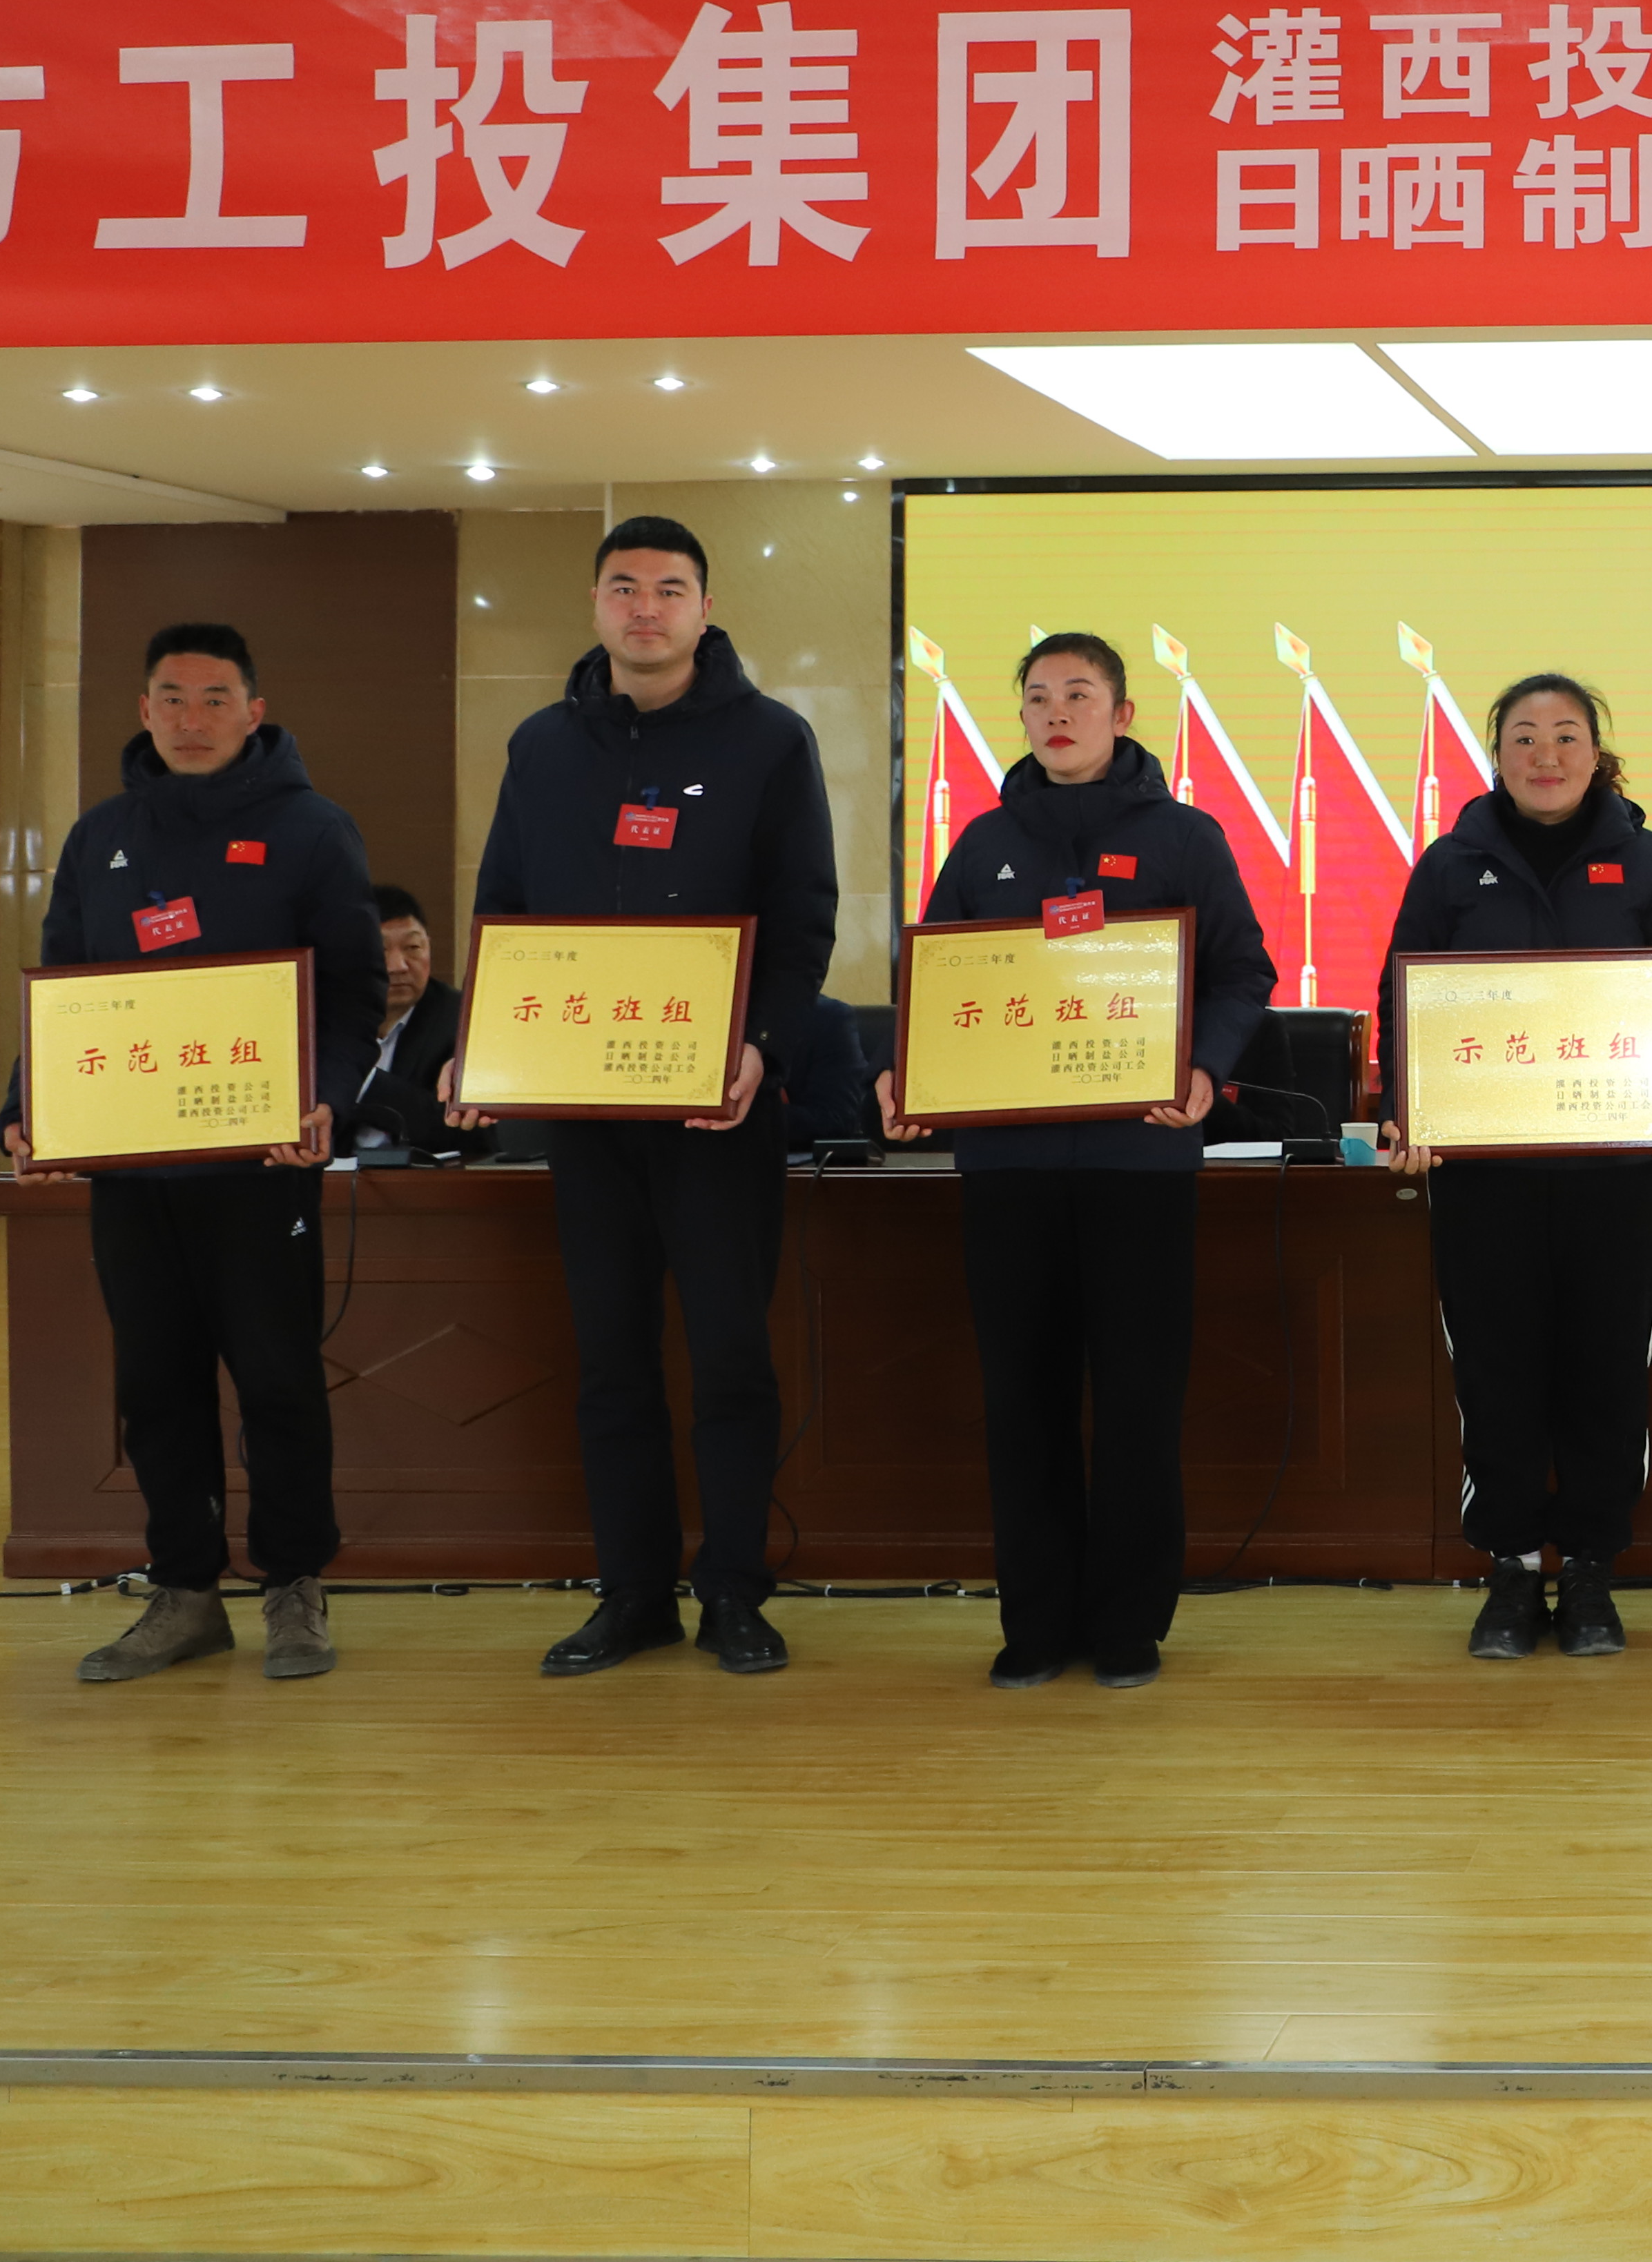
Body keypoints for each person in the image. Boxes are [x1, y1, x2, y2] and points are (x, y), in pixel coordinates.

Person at [449, 516, 839, 1679]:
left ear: (705, 610)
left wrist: (760, 1047)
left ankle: (733, 1593)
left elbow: (803, 919)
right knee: (611, 1360)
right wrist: (478, 1047)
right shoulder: (542, 745)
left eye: (670, 589)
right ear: (595, 606)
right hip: (588, 1114)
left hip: (719, 1108)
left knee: (730, 1358)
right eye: (625, 587)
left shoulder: (771, 740)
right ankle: (632, 1594)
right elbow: (506, 909)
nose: (646, 608)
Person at [880, 632, 1272, 1690]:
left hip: (1139, 1162)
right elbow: (937, 985)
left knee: (1139, 1400)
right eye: (1040, 698)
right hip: (1008, 1169)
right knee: (1022, 1400)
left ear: (1123, 714)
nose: (1058, 714)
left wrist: (1205, 1067)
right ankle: (1037, 1620)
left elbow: (1243, 971)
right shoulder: (984, 843)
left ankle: (1130, 1621)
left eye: (1081, 695)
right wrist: (905, 1075)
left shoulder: (1185, 837)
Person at [3, 624, 378, 1684]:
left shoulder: (313, 830)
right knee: (156, 1386)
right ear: (144, 710)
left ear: (255, 711)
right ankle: (184, 1594)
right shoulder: (102, 836)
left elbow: (354, 994)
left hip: (262, 1170)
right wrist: (26, 1110)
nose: (192, 718)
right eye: (171, 697)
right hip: (134, 1173)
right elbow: (63, 990)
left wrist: (324, 1098)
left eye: (216, 699)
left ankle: (295, 1586)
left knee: (278, 1381)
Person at [1379, 673, 1652, 1661]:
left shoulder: (1648, 861)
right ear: (1496, 755)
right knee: (1496, 1372)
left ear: (1596, 752)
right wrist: (1409, 1109)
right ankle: (1512, 1567)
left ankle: (1592, 1570)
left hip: (1618, 1175)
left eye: (1566, 735)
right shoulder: (1450, 865)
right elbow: (1402, 998)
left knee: (1607, 1372)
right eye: (1524, 736)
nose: (1546, 754)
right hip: (1482, 1177)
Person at [344, 884, 479, 1159]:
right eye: (380, 949)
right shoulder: (324, 1021)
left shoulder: (463, 1021)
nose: (399, 966)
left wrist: (364, 1079)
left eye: (413, 948)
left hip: (430, 1181)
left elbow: (463, 1130)